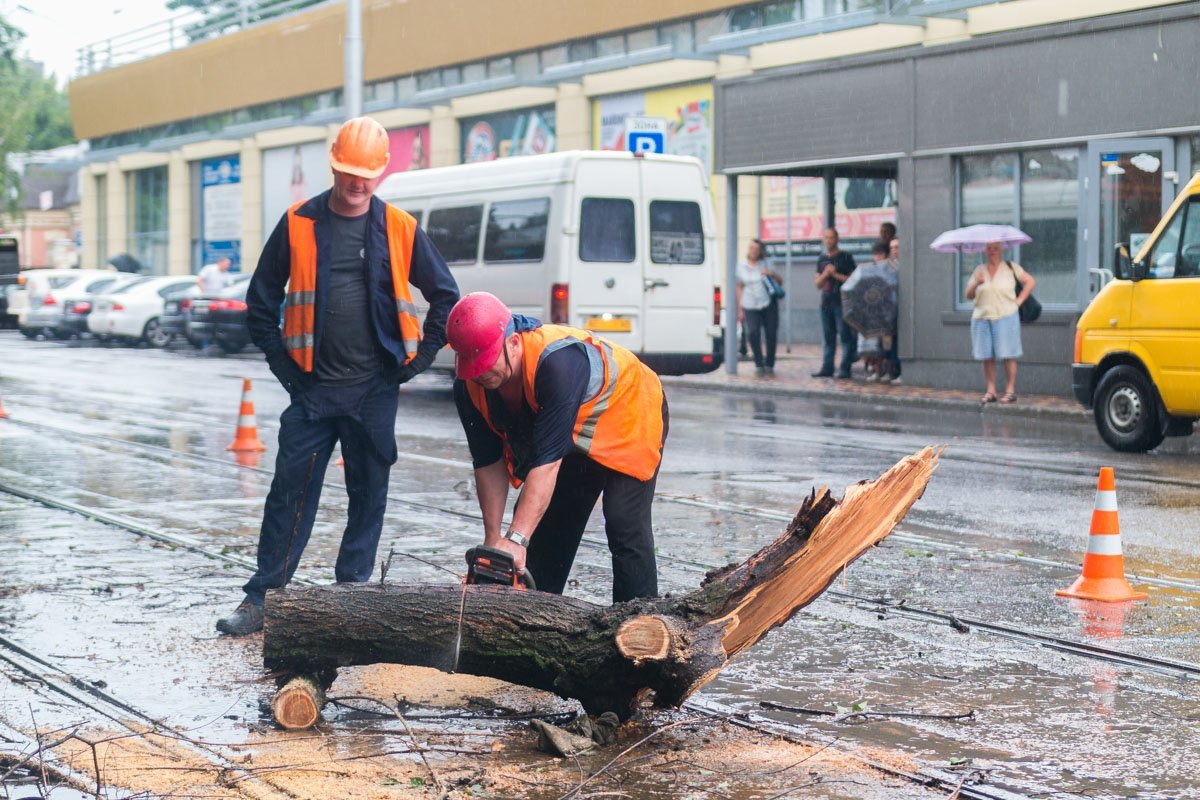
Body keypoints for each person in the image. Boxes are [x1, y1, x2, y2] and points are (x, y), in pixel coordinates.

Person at [216, 116, 460, 636]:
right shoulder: (298, 222)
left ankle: (351, 597)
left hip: (374, 389)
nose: (357, 183)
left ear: (381, 173)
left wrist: (419, 361)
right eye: (349, 172)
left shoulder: (399, 227)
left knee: (368, 493)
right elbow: (260, 305)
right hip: (312, 390)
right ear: (334, 164)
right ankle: (262, 599)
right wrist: (287, 371)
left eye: (367, 175)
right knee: (289, 492)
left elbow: (446, 296)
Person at [447, 292, 667, 604]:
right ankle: (536, 621)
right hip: (576, 431)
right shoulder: (469, 386)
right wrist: (494, 540)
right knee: (550, 525)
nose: (480, 373)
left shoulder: (556, 365)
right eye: (471, 365)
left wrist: (517, 539)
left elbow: (546, 464)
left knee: (622, 521)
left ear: (512, 343)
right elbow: (488, 462)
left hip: (630, 413)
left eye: (486, 361)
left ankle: (642, 624)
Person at [965, 240, 1037, 405]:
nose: (992, 251)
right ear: (985, 251)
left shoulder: (1011, 267)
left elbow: (1030, 281)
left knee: (1008, 354)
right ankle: (991, 391)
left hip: (1006, 315)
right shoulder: (979, 270)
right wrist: (977, 283)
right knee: (986, 355)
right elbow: (968, 295)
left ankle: (1010, 391)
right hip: (982, 317)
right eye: (989, 248)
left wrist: (1019, 301)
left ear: (1001, 250)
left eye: (995, 248)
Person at [842, 241, 895, 382]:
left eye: (881, 254)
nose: (878, 258)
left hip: (887, 312)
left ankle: (889, 372)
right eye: (876, 255)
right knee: (875, 345)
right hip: (874, 312)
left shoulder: (891, 268)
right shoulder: (870, 269)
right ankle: (878, 371)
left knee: (887, 345)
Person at [812, 227, 857, 379]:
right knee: (828, 337)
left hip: (843, 303)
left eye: (831, 238)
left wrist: (835, 274)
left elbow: (853, 280)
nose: (829, 240)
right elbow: (817, 284)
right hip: (826, 303)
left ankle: (845, 368)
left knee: (845, 336)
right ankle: (827, 367)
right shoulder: (821, 259)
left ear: (837, 239)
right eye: (826, 237)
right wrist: (826, 273)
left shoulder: (846, 257)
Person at [736, 238, 782, 377]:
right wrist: (740, 308)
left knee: (771, 333)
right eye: (751, 248)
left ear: (760, 251)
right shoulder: (741, 266)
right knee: (753, 333)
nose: (753, 251)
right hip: (749, 304)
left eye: (756, 249)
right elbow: (739, 286)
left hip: (768, 303)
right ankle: (758, 362)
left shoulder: (767, 264)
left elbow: (780, 282)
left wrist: (771, 273)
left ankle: (769, 363)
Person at [885, 237, 902, 382]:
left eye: (897, 247)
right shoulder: (888, 266)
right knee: (890, 342)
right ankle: (891, 371)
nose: (894, 250)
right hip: (890, 309)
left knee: (901, 341)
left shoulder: (906, 266)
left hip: (903, 308)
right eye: (892, 248)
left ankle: (899, 371)